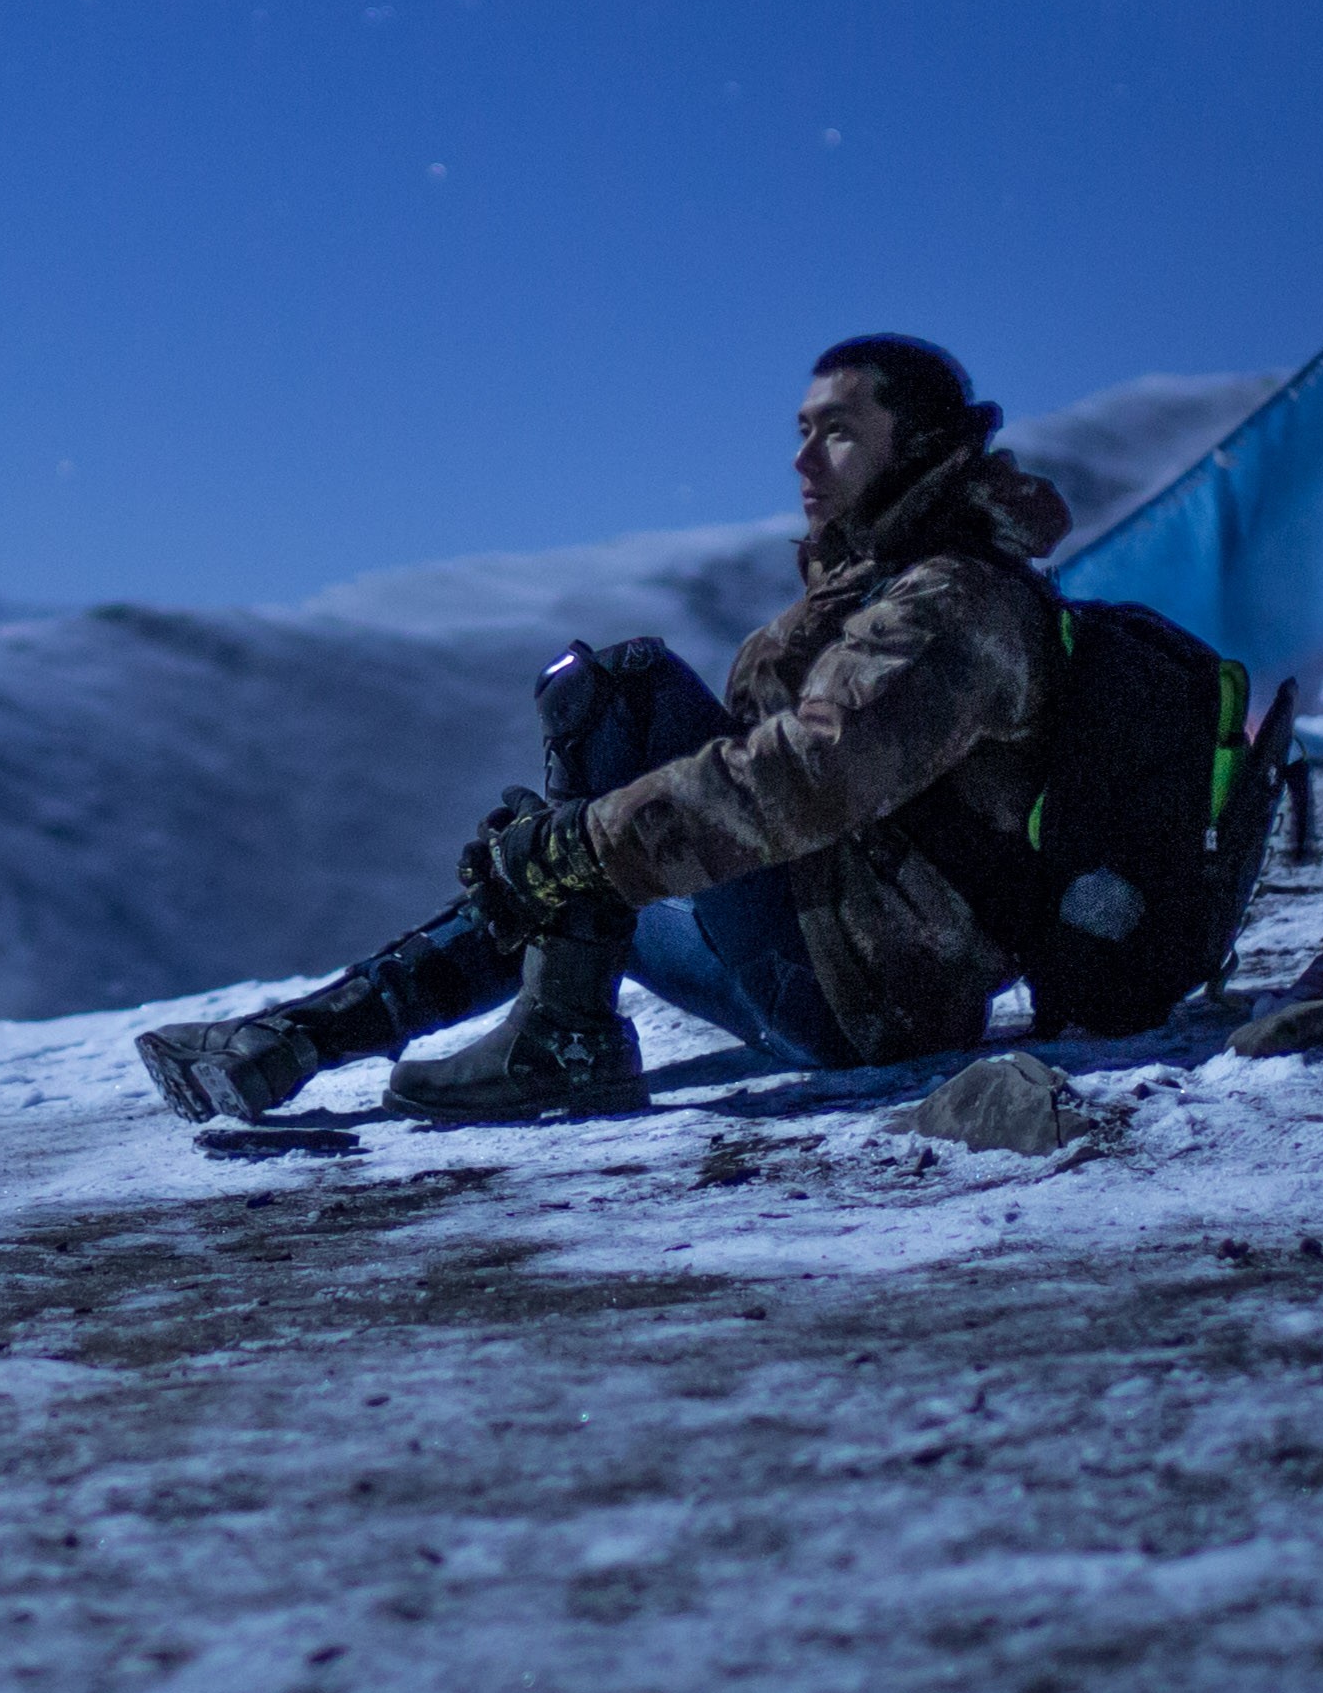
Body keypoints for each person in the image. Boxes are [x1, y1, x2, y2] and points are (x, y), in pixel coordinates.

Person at [133, 333, 1073, 1125]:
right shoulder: (881, 582)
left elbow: (808, 774)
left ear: (917, 447)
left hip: (869, 994)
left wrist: (586, 840)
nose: (802, 461)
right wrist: (564, 855)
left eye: (838, 432)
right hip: (835, 958)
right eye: (800, 432)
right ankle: (297, 1041)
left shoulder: (953, 603)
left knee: (623, 697)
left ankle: (556, 1047)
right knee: (549, 877)